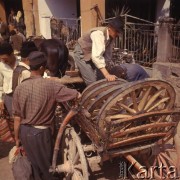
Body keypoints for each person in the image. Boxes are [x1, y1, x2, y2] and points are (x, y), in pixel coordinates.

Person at [12, 51, 81, 180]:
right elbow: (75, 95)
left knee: (34, 166)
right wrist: (77, 95)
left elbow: (17, 117)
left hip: (24, 132)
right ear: (42, 68)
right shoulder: (51, 85)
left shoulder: (19, 88)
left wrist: (17, 138)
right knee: (47, 169)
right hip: (40, 134)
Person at [74, 16, 124, 85]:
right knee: (92, 82)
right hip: (81, 53)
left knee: (100, 77)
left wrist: (107, 70)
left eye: (119, 32)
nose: (118, 34)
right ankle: (92, 94)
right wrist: (107, 74)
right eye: (117, 31)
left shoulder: (111, 37)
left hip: (91, 54)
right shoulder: (98, 34)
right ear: (109, 28)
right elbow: (96, 57)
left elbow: (107, 55)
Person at [0, 42, 18, 117]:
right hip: (9, 98)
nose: (3, 61)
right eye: (1, 59)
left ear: (12, 54)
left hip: (22, 97)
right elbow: (0, 84)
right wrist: (1, 100)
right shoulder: (1, 66)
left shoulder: (21, 64)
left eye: (5, 59)